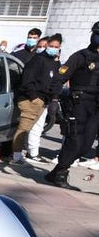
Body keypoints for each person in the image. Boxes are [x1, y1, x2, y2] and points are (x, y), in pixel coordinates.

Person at [45, 25, 99, 188]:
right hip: (78, 103)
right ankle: (61, 174)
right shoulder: (80, 56)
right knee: (74, 140)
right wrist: (54, 100)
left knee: (86, 144)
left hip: (95, 106)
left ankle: (55, 172)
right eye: (96, 34)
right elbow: (59, 78)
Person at [10, 33, 61, 169]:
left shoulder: (54, 63)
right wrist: (34, 97)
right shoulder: (38, 59)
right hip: (31, 99)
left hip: (43, 100)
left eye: (56, 47)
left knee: (33, 129)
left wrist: (53, 98)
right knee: (23, 128)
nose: (53, 48)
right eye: (51, 46)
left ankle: (26, 153)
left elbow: (55, 81)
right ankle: (16, 157)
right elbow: (28, 80)